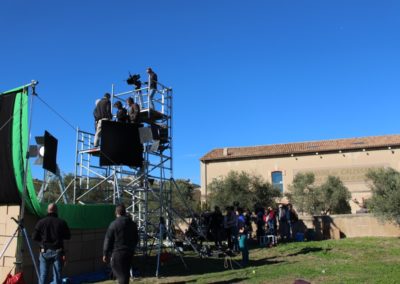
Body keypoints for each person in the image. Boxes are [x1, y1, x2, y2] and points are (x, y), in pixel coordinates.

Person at [32, 203, 71, 284]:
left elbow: (34, 237)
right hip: (58, 251)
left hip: (44, 251)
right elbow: (68, 236)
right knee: (57, 276)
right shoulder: (61, 222)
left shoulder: (41, 222)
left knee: (43, 275)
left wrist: (42, 242)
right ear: (56, 211)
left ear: (47, 210)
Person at [103, 204, 139, 284]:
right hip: (129, 252)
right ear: (125, 212)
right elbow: (136, 238)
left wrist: (105, 253)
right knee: (125, 273)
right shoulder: (132, 224)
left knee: (121, 275)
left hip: (118, 252)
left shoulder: (114, 224)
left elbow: (108, 239)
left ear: (116, 213)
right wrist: (132, 247)